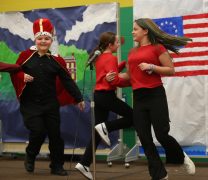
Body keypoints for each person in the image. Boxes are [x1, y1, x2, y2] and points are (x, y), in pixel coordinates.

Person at [106, 18, 195, 180]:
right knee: (145, 139)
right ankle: (159, 175)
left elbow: (170, 70)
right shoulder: (132, 52)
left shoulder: (157, 48)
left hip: (155, 95)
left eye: (135, 29)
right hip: (138, 97)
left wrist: (152, 67)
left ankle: (181, 157)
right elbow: (130, 76)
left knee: (161, 135)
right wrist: (115, 78)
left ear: (145, 31)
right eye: (132, 29)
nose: (132, 32)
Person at [10, 18, 85, 176]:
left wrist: (78, 98)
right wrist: (22, 75)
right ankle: (30, 155)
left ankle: (57, 166)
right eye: (40, 38)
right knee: (38, 131)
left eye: (46, 38)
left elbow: (67, 81)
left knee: (55, 135)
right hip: (30, 104)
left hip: (50, 103)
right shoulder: (25, 56)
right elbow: (15, 71)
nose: (43, 41)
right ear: (35, 39)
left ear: (51, 40)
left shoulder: (56, 60)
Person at [75, 32, 133, 179]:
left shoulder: (100, 57)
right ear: (110, 45)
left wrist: (122, 66)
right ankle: (106, 127)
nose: (119, 45)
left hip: (99, 96)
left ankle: (84, 163)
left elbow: (108, 74)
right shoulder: (111, 58)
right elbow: (113, 81)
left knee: (96, 134)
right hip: (106, 96)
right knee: (133, 116)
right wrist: (131, 80)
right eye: (117, 43)